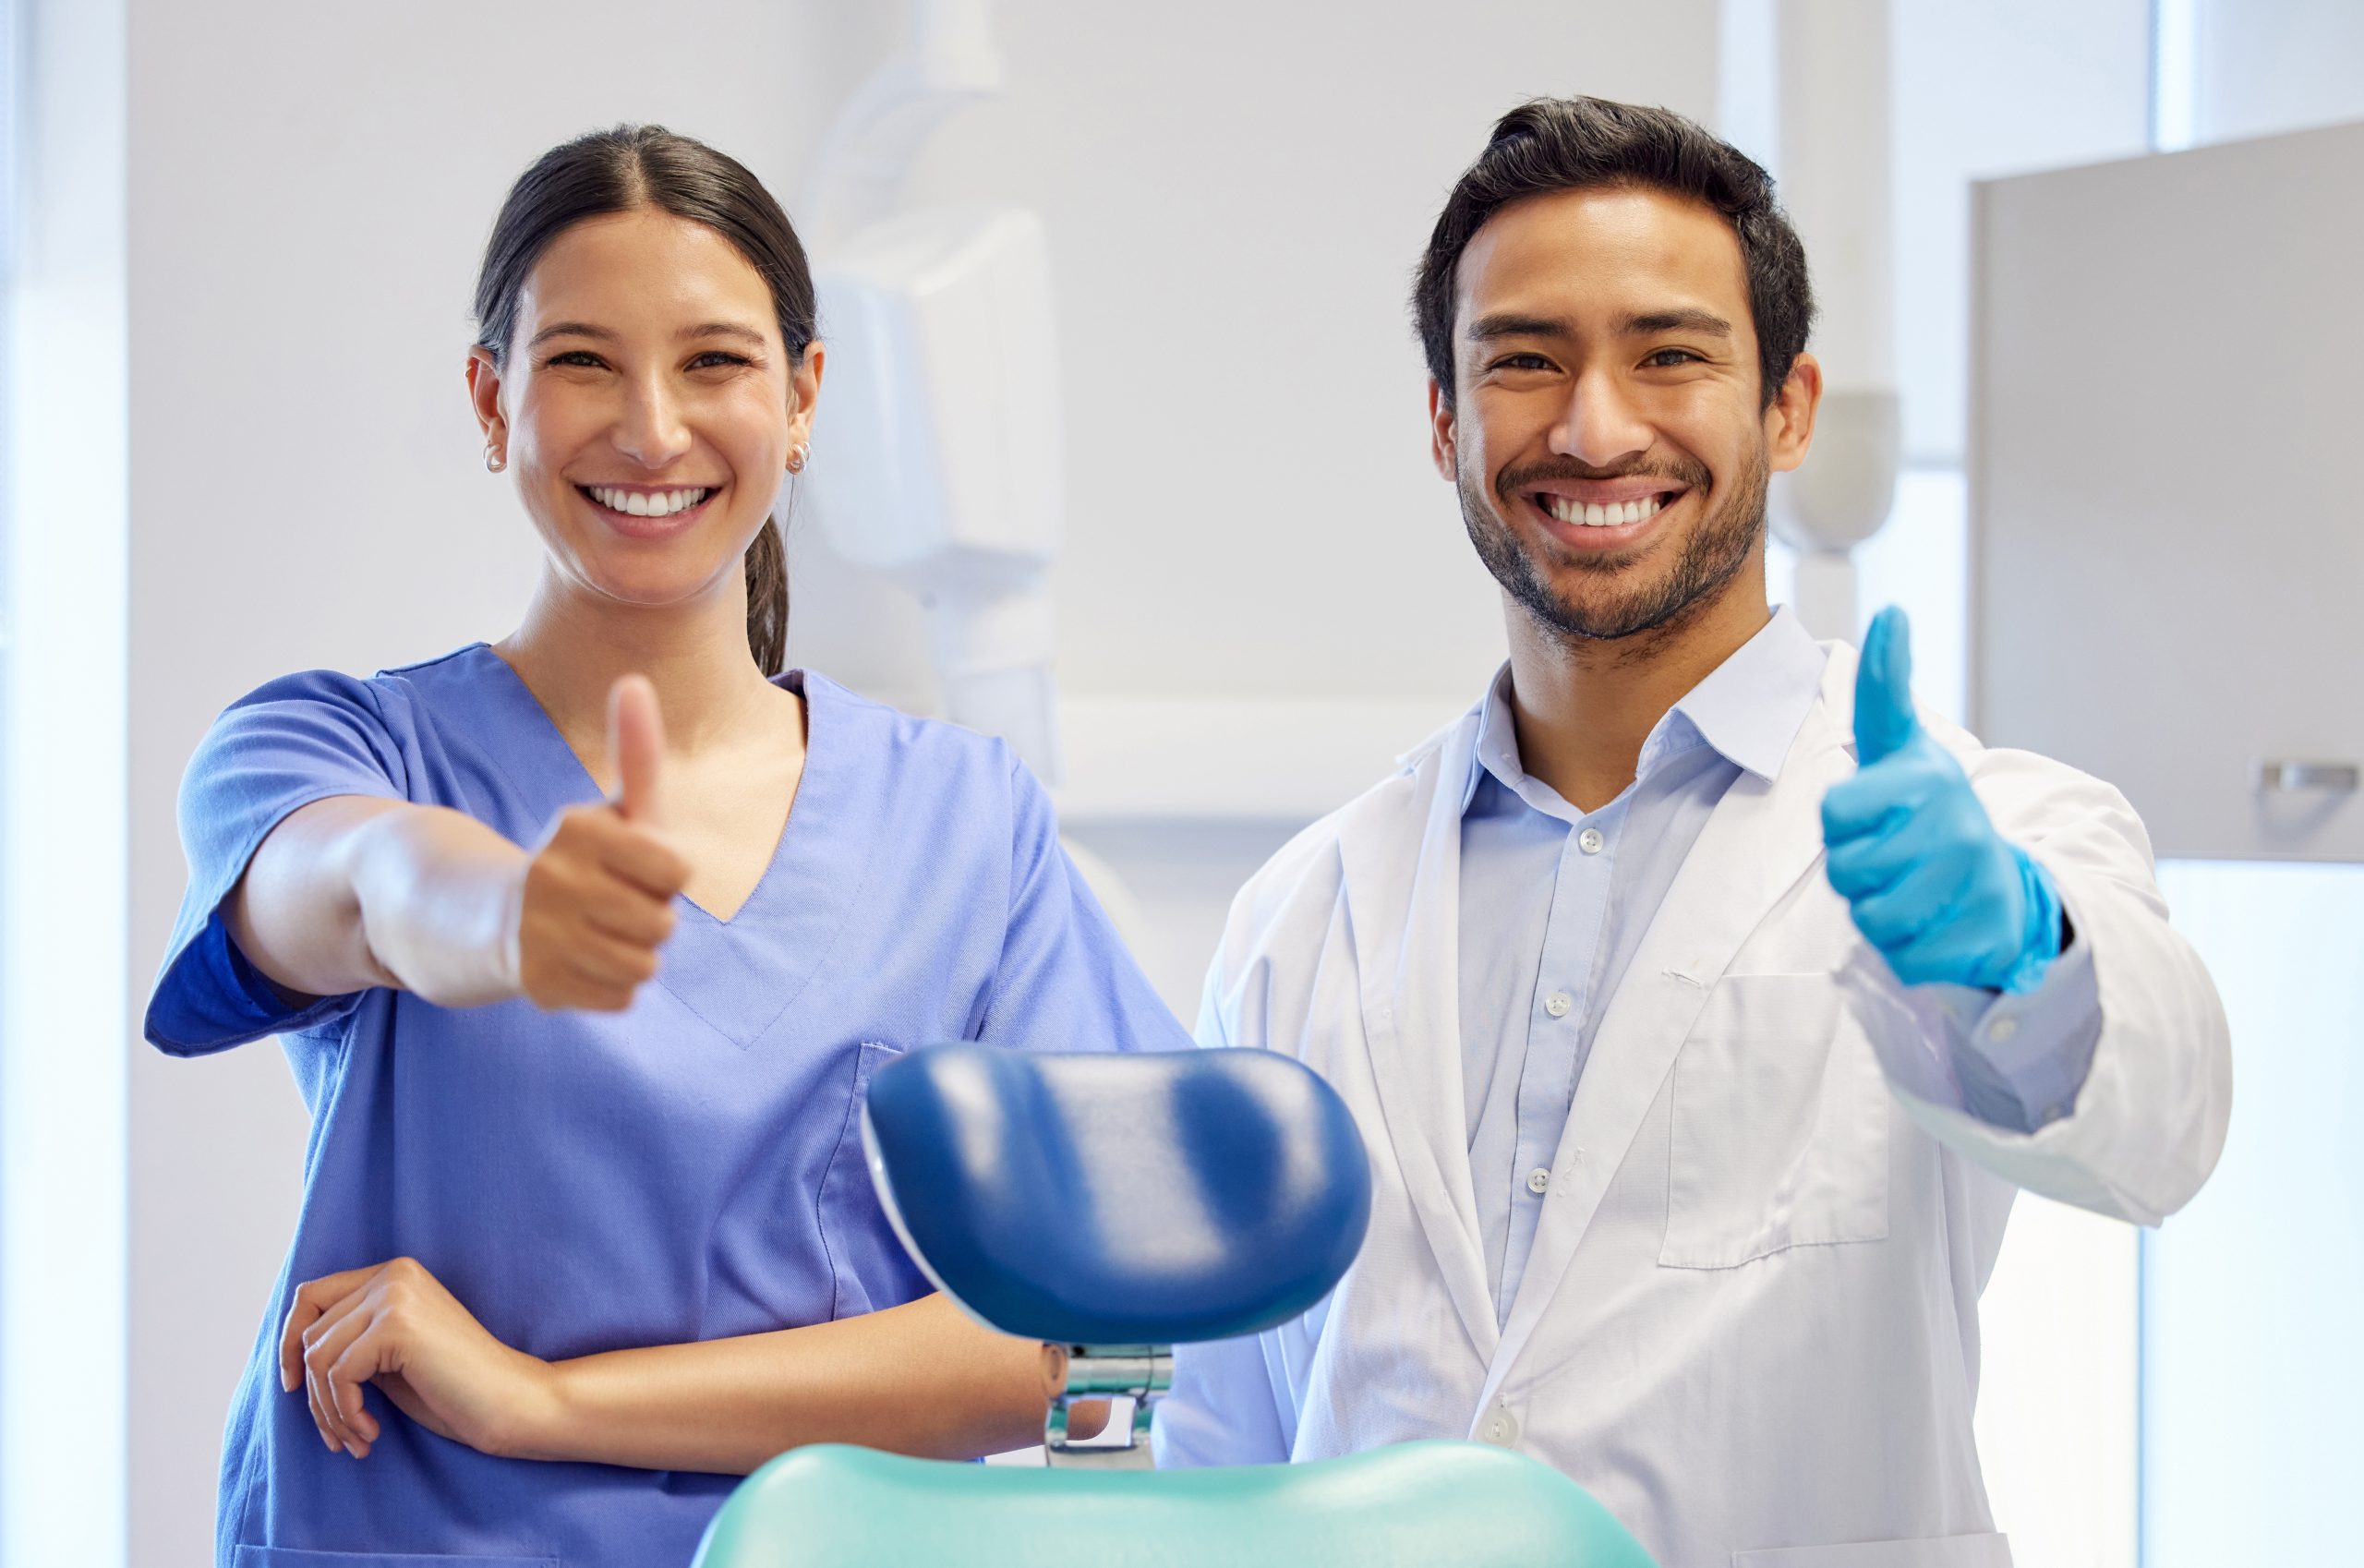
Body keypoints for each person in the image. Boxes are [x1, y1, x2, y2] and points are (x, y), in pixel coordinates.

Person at [1152, 97, 2231, 1568]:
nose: (1596, 428)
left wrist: (2015, 960)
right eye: (1523, 360)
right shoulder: (1303, 914)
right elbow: (1219, 1452)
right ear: (1444, 424)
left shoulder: (1986, 830)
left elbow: (2159, 1128)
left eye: (1671, 353)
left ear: (1787, 407)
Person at [145, 125, 1178, 1568]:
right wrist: (496, 914)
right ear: (490, 399)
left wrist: (545, 1402)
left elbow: (1099, 1345)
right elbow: (358, 882)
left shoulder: (965, 823)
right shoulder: (336, 748)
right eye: (580, 361)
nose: (648, 427)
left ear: (805, 397)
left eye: (713, 362)